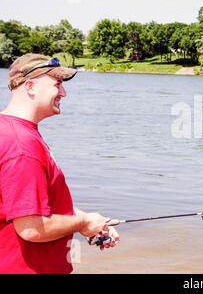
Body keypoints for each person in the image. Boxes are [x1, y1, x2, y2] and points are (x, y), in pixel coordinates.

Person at [0, 53, 119, 274]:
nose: (63, 93)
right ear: (31, 87)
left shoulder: (12, 130)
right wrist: (83, 222)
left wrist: (91, 222)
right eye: (57, 84)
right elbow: (32, 228)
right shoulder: (21, 145)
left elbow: (42, 202)